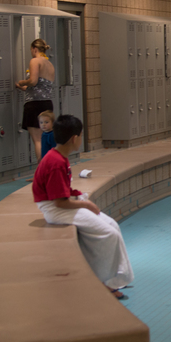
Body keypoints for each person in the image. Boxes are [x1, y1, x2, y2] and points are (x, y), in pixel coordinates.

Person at [33, 115, 133, 299]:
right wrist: (85, 204)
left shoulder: (60, 157)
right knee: (108, 234)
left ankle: (115, 278)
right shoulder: (55, 162)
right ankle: (99, 281)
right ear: (74, 138)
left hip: (60, 204)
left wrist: (78, 195)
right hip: (54, 210)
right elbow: (59, 202)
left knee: (112, 226)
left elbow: (63, 191)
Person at [15, 39, 56, 162]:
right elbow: (41, 86)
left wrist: (22, 82)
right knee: (46, 138)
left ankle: (41, 172)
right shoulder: (50, 64)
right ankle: (48, 169)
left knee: (38, 140)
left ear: (34, 49)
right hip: (47, 103)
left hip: (34, 105)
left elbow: (33, 81)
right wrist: (23, 88)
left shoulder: (35, 61)